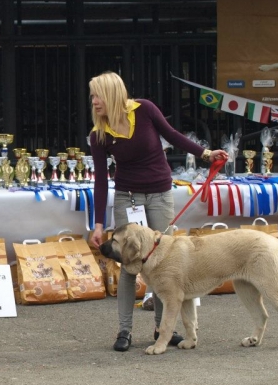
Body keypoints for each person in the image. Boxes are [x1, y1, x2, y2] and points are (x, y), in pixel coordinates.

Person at [87, 71, 228, 352]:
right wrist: (99, 224)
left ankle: (162, 330)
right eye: (91, 96)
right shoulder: (99, 135)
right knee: (128, 264)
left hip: (161, 195)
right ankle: (124, 330)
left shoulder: (146, 110)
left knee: (165, 263)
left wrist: (204, 154)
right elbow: (101, 180)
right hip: (128, 197)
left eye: (97, 95)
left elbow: (173, 136)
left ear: (113, 92)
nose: (93, 101)